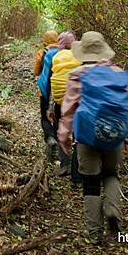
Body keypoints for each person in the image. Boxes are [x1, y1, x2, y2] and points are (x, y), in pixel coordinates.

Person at [58, 31, 128, 242]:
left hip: (86, 136)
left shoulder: (77, 75)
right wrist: (125, 132)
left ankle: (94, 234)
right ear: (103, 50)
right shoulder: (117, 73)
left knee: (91, 182)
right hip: (115, 135)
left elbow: (67, 112)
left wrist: (64, 138)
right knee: (111, 174)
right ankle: (112, 210)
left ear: (82, 51)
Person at [49, 31, 82, 180]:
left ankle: (64, 166)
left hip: (60, 102)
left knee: (62, 132)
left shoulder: (56, 57)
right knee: (78, 134)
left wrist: (49, 106)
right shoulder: (80, 56)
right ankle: (78, 169)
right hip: (77, 101)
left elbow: (52, 80)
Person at [34, 30, 59, 159]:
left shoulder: (42, 53)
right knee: (57, 115)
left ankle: (50, 137)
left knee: (45, 116)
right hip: (60, 89)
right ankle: (58, 141)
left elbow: (37, 71)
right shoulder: (63, 52)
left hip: (46, 89)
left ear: (45, 40)